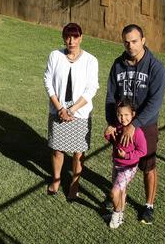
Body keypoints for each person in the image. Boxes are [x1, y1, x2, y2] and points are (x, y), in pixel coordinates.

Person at [105, 24, 165, 224]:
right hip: (122, 123)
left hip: (145, 125)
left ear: (143, 40)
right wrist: (113, 122)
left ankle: (148, 205)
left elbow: (155, 102)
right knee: (122, 163)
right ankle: (119, 201)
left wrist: (135, 124)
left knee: (147, 166)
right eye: (126, 41)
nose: (130, 45)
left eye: (134, 41)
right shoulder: (118, 64)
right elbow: (111, 96)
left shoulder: (155, 67)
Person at [44, 23, 99, 200]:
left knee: (78, 152)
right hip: (58, 111)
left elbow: (91, 89)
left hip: (80, 115)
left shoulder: (91, 60)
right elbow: (48, 81)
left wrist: (72, 110)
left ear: (81, 38)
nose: (71, 41)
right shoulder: (55, 56)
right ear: (63, 38)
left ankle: (74, 185)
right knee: (57, 150)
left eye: (75, 37)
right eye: (68, 37)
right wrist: (60, 108)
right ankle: (57, 180)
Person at [105, 100, 147, 229]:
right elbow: (113, 140)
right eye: (120, 115)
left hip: (128, 167)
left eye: (126, 115)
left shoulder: (137, 132)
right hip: (117, 164)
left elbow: (142, 151)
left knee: (114, 193)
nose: (123, 118)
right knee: (121, 191)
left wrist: (127, 156)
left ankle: (116, 215)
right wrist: (107, 133)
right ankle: (121, 214)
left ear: (133, 114)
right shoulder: (117, 126)